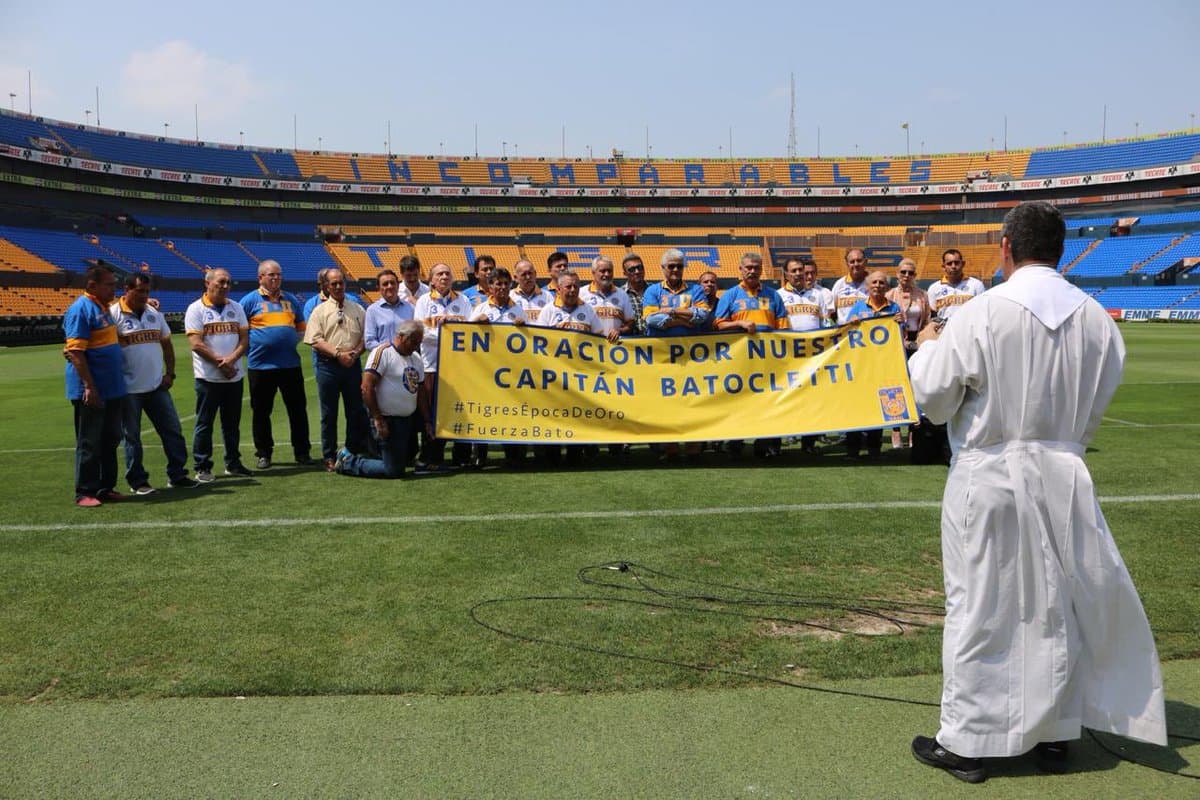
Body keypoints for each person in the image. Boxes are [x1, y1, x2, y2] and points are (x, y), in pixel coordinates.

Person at [907, 201, 1166, 784]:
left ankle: (967, 740)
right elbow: (1099, 398)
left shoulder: (982, 311)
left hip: (991, 469)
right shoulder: (1096, 317)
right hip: (1064, 468)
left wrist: (925, 346)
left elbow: (935, 400)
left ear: (1006, 247)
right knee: (1058, 601)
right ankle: (1054, 730)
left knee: (978, 603)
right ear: (1061, 249)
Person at [111, 273, 195, 493]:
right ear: (127, 290)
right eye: (140, 291)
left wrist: (170, 374)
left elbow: (167, 344)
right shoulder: (113, 315)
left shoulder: (153, 313)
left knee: (173, 431)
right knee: (132, 437)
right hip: (129, 389)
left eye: (147, 292)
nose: (144, 296)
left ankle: (177, 475)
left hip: (157, 386)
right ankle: (138, 481)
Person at [63, 263, 129, 506]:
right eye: (109, 285)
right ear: (92, 285)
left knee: (111, 439)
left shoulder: (103, 307)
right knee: (89, 441)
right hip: (93, 389)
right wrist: (89, 386)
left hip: (112, 387)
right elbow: (76, 352)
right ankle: (85, 491)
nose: (114, 289)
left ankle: (105, 487)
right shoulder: (80, 310)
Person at [714, 252, 789, 459]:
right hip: (739, 362)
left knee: (769, 401)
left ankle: (768, 443)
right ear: (740, 269)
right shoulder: (730, 295)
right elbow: (719, 324)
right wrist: (739, 323)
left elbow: (783, 327)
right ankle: (735, 443)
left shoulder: (773, 296)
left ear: (761, 270)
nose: (752, 271)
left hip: (768, 361)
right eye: (748, 267)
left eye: (756, 267)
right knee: (738, 402)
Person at [334, 321, 430, 479]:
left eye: (419, 342)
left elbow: (420, 392)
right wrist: (378, 418)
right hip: (387, 419)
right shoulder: (383, 353)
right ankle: (348, 461)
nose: (416, 346)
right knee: (393, 470)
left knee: (407, 458)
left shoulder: (416, 358)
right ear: (401, 337)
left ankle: (372, 453)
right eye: (414, 342)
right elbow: (367, 387)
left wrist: (426, 420)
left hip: (407, 420)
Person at [239, 259, 312, 469]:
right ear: (260, 277)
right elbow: (240, 333)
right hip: (260, 367)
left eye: (279, 274)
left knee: (298, 411)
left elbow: (300, 328)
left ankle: (302, 452)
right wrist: (255, 349)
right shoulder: (249, 301)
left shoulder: (290, 299)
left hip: (290, 364)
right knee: (261, 412)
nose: (276, 278)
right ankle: (264, 453)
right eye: (271, 274)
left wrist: (285, 341)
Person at [185, 268, 251, 482]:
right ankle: (202, 466)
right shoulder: (196, 309)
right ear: (208, 283)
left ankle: (233, 463)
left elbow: (244, 339)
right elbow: (196, 344)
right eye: (221, 282)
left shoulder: (236, 307)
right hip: (208, 377)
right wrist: (221, 363)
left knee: (231, 424)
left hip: (234, 376)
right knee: (205, 423)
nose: (225, 286)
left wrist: (231, 360)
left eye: (228, 282)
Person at [303, 268, 369, 472]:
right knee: (329, 414)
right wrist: (338, 354)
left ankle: (352, 450)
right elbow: (314, 340)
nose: (338, 287)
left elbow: (366, 336)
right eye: (334, 284)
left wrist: (355, 353)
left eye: (341, 283)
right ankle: (329, 455)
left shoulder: (357, 309)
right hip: (328, 366)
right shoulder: (319, 311)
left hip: (352, 364)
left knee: (355, 410)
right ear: (326, 286)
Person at [412, 263, 474, 471]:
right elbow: (421, 332)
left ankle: (462, 456)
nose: (444, 277)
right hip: (432, 366)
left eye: (448, 273)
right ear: (431, 280)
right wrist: (448, 334)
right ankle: (431, 456)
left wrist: (450, 331)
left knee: (459, 411)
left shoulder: (463, 301)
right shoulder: (424, 301)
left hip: (458, 368)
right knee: (432, 413)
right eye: (439, 274)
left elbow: (470, 330)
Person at [468, 268, 527, 467]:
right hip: (485, 370)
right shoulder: (480, 309)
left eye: (505, 283)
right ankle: (480, 455)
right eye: (498, 284)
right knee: (484, 412)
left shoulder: (518, 310)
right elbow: (464, 336)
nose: (502, 287)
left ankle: (512, 454)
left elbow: (530, 342)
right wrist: (476, 323)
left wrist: (524, 328)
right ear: (490, 287)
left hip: (510, 372)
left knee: (509, 411)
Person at [842, 270, 901, 460]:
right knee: (856, 408)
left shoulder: (894, 308)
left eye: (882, 283)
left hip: (882, 367)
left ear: (887, 287)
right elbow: (845, 332)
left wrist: (900, 324)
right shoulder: (858, 307)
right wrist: (851, 323)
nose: (877, 285)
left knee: (878, 408)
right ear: (868, 286)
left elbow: (899, 335)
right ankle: (853, 450)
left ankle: (874, 449)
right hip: (860, 366)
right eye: (874, 282)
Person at [885, 258, 931, 449]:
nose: (906, 275)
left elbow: (927, 321)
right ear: (897, 274)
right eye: (903, 272)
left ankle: (914, 430)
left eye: (910, 273)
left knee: (915, 386)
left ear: (915, 275)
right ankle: (896, 431)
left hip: (916, 342)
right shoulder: (889, 295)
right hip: (896, 344)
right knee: (896, 387)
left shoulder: (922, 295)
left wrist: (920, 340)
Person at [642, 249, 710, 337]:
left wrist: (672, 311)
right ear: (663, 268)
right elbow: (650, 319)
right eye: (671, 266)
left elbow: (703, 315)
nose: (676, 269)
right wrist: (681, 321)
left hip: (690, 343)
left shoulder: (696, 290)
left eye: (679, 266)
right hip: (661, 344)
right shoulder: (652, 290)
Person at [578, 256, 633, 341]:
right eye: (602, 271)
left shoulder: (622, 295)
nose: (607, 274)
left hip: (613, 346)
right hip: (589, 344)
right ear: (593, 273)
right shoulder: (581, 293)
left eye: (609, 271)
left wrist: (620, 331)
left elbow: (630, 323)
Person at [926, 248, 986, 322]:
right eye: (949, 263)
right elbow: (932, 315)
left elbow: (983, 311)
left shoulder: (976, 285)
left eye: (956, 263)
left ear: (963, 264)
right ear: (943, 267)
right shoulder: (934, 288)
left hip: (969, 327)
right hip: (944, 328)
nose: (953, 266)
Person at [364, 268, 414, 350]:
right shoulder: (372, 311)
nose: (389, 286)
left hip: (407, 356)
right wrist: (390, 349)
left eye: (392, 283)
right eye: (385, 284)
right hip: (384, 356)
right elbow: (369, 342)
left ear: (398, 285)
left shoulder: (410, 308)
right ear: (378, 288)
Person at [830, 247, 869, 325]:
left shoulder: (874, 284)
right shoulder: (839, 284)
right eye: (852, 262)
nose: (856, 264)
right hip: (845, 331)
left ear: (865, 262)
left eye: (859, 261)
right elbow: (831, 313)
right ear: (847, 264)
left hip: (867, 330)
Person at [621, 253, 649, 335]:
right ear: (625, 273)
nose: (637, 272)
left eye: (639, 268)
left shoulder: (656, 290)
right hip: (630, 341)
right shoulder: (619, 294)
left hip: (655, 340)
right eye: (632, 269)